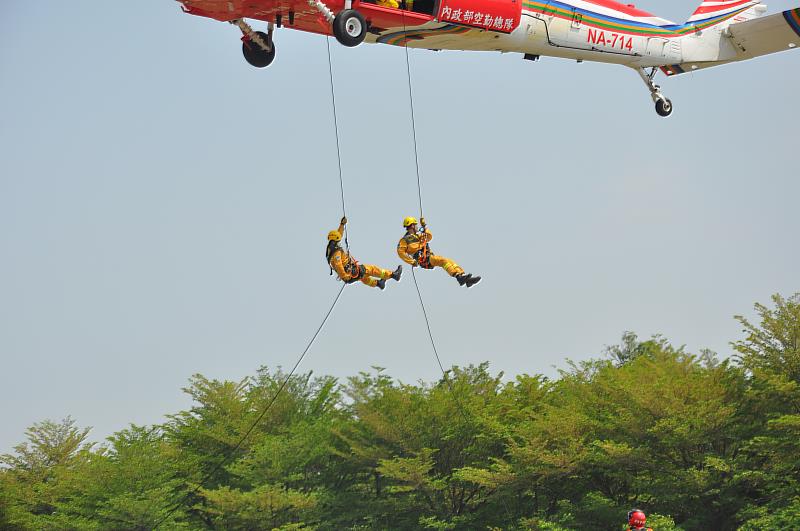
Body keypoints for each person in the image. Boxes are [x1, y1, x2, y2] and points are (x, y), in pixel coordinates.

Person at [397, 216, 480, 287]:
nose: (417, 226)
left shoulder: (418, 236)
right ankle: (459, 277)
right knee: (443, 260)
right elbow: (401, 252)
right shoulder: (404, 240)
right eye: (415, 225)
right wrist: (412, 262)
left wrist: (424, 226)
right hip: (423, 259)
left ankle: (464, 278)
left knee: (449, 261)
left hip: (428, 256)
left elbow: (429, 237)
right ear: (411, 226)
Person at [327, 217, 402, 289]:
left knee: (363, 277)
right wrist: (344, 276)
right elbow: (338, 265)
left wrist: (342, 225)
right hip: (349, 273)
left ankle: (378, 284)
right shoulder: (336, 252)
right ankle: (393, 275)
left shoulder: (331, 249)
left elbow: (338, 234)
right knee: (370, 269)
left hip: (350, 272)